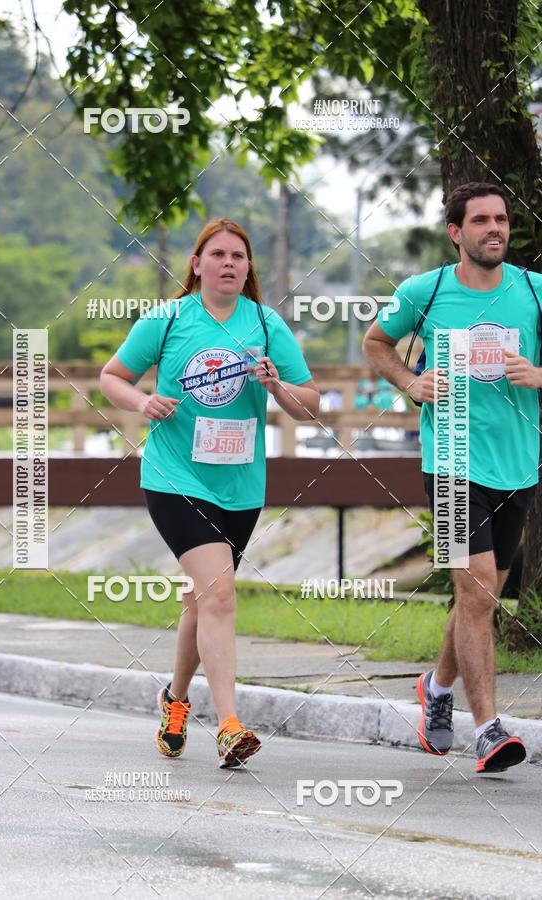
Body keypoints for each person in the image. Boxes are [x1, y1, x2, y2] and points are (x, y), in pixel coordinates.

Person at [100, 218, 319, 768]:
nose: (229, 264)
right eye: (217, 255)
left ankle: (175, 700)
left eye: (239, 257)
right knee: (219, 594)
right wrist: (141, 402)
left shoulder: (266, 325)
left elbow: (310, 401)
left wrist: (277, 386)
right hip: (175, 478)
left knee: (202, 600)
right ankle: (229, 725)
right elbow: (112, 376)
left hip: (241, 485)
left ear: (248, 269)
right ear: (196, 264)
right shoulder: (169, 319)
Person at [363, 182, 542, 773]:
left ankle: (436, 690)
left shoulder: (535, 293)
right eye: (482, 220)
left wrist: (538, 375)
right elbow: (376, 342)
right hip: (452, 463)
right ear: (456, 232)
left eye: (502, 219)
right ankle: (488, 729)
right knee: (479, 588)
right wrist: (410, 383)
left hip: (517, 465)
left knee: (480, 597)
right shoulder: (428, 290)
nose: (496, 229)